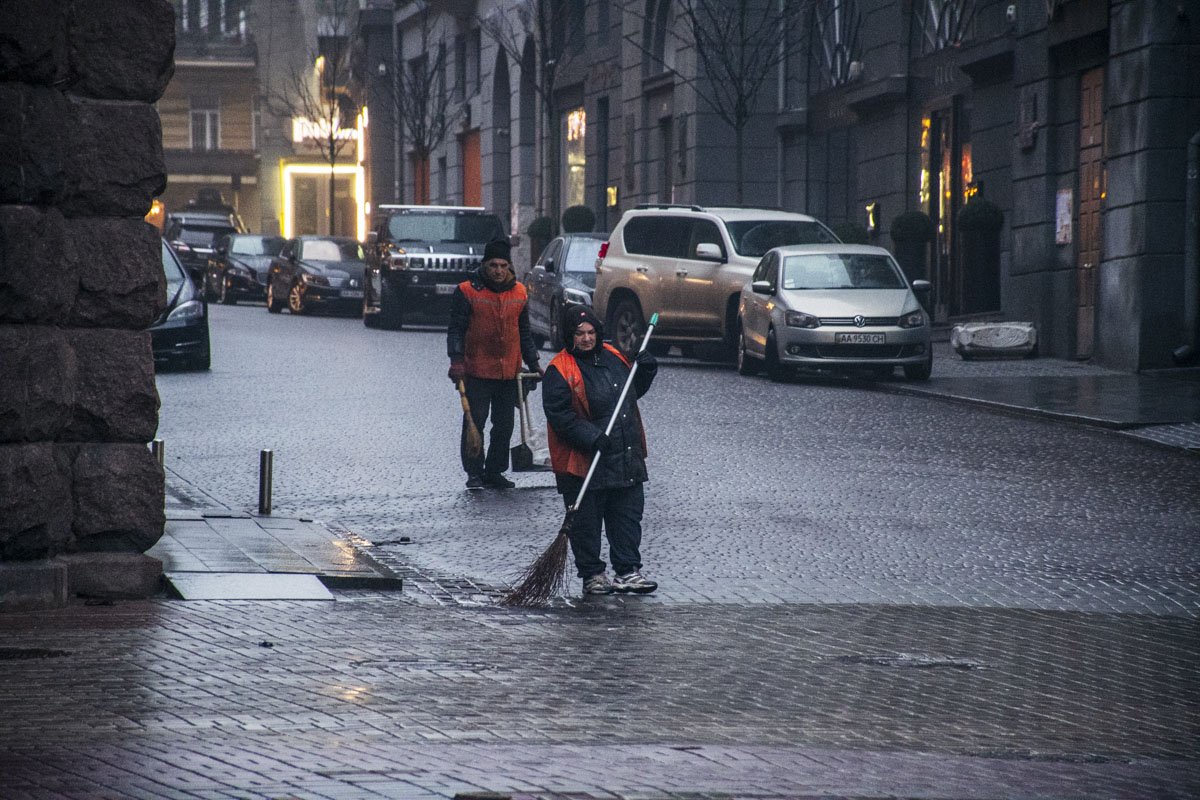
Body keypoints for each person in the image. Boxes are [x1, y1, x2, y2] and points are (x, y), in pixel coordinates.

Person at [542, 304, 658, 595]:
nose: (586, 338)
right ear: (569, 336)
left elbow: (630, 394)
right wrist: (591, 437)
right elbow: (560, 416)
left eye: (591, 332)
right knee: (586, 523)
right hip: (585, 462)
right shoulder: (560, 370)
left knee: (627, 518)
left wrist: (644, 372)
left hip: (625, 454)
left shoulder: (614, 357)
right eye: (579, 333)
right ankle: (592, 573)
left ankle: (628, 570)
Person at [447, 238, 542, 489]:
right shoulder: (467, 291)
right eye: (493, 266)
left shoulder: (520, 292)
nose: (498, 271)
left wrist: (534, 363)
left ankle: (495, 471)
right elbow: (456, 330)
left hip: (508, 372)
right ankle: (474, 472)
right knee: (474, 421)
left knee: (504, 424)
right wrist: (456, 361)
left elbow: (524, 333)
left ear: (509, 267)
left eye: (503, 266)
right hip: (477, 369)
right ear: (484, 266)